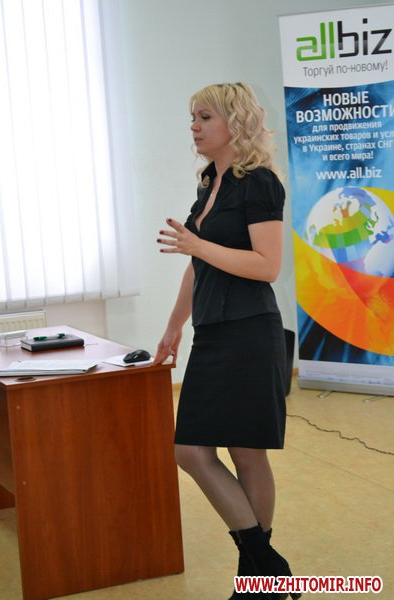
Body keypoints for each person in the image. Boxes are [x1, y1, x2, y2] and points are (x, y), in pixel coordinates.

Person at [154, 82, 300, 600]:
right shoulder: (208, 182)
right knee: (191, 451)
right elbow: (198, 264)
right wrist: (174, 326)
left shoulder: (258, 183)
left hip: (249, 331)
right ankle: (267, 566)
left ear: (233, 123)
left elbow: (266, 266)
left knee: (246, 453)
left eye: (205, 117)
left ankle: (255, 579)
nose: (194, 126)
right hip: (213, 332)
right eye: (193, 117)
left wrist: (198, 245)